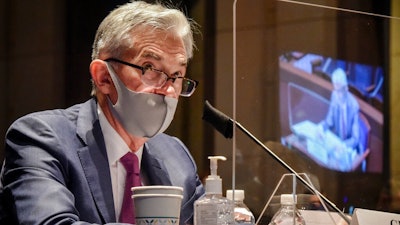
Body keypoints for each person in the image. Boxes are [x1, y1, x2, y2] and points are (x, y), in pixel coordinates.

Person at [0, 1, 205, 224]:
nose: (167, 90)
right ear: (104, 77)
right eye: (149, 68)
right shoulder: (42, 139)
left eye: (176, 75)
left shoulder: (176, 157)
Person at [318, 68, 360, 154]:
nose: (337, 95)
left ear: (346, 88)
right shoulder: (334, 95)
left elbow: (355, 139)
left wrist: (343, 145)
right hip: (337, 143)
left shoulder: (354, 106)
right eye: (336, 90)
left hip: (349, 148)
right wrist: (321, 127)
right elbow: (329, 121)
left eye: (340, 91)